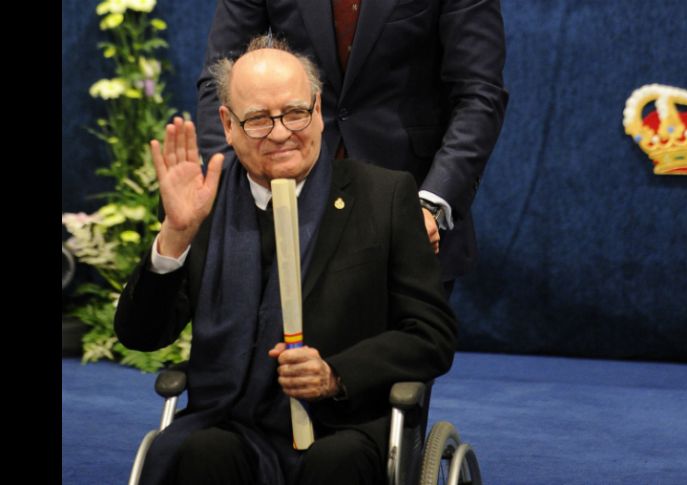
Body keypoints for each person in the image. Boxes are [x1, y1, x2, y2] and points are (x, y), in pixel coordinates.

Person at [115, 36, 457, 485]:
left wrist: (335, 374)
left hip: (342, 423)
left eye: (295, 113)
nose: (280, 133)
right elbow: (141, 335)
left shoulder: (384, 196)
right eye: (258, 119)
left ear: (318, 110)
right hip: (229, 418)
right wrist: (176, 236)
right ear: (228, 124)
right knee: (201, 451)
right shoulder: (202, 205)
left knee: (336, 462)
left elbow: (431, 335)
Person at [196, 0, 509, 294]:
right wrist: (238, 196)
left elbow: (479, 95)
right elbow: (219, 80)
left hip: (411, 217)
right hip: (289, 215)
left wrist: (430, 205)